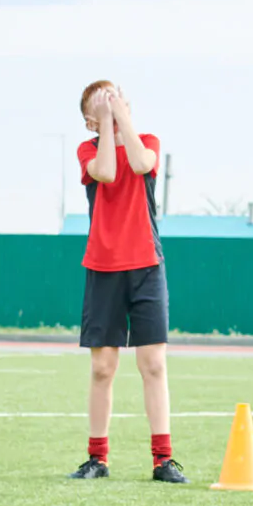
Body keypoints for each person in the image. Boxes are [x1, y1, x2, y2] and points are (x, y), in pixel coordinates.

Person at [70, 80, 186, 482]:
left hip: (146, 266)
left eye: (118, 99)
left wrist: (121, 119)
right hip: (103, 268)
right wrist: (105, 124)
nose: (114, 106)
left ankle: (163, 459)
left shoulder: (146, 140)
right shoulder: (89, 150)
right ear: (90, 121)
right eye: (102, 105)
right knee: (103, 367)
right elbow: (106, 171)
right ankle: (97, 457)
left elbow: (139, 164)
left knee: (153, 363)